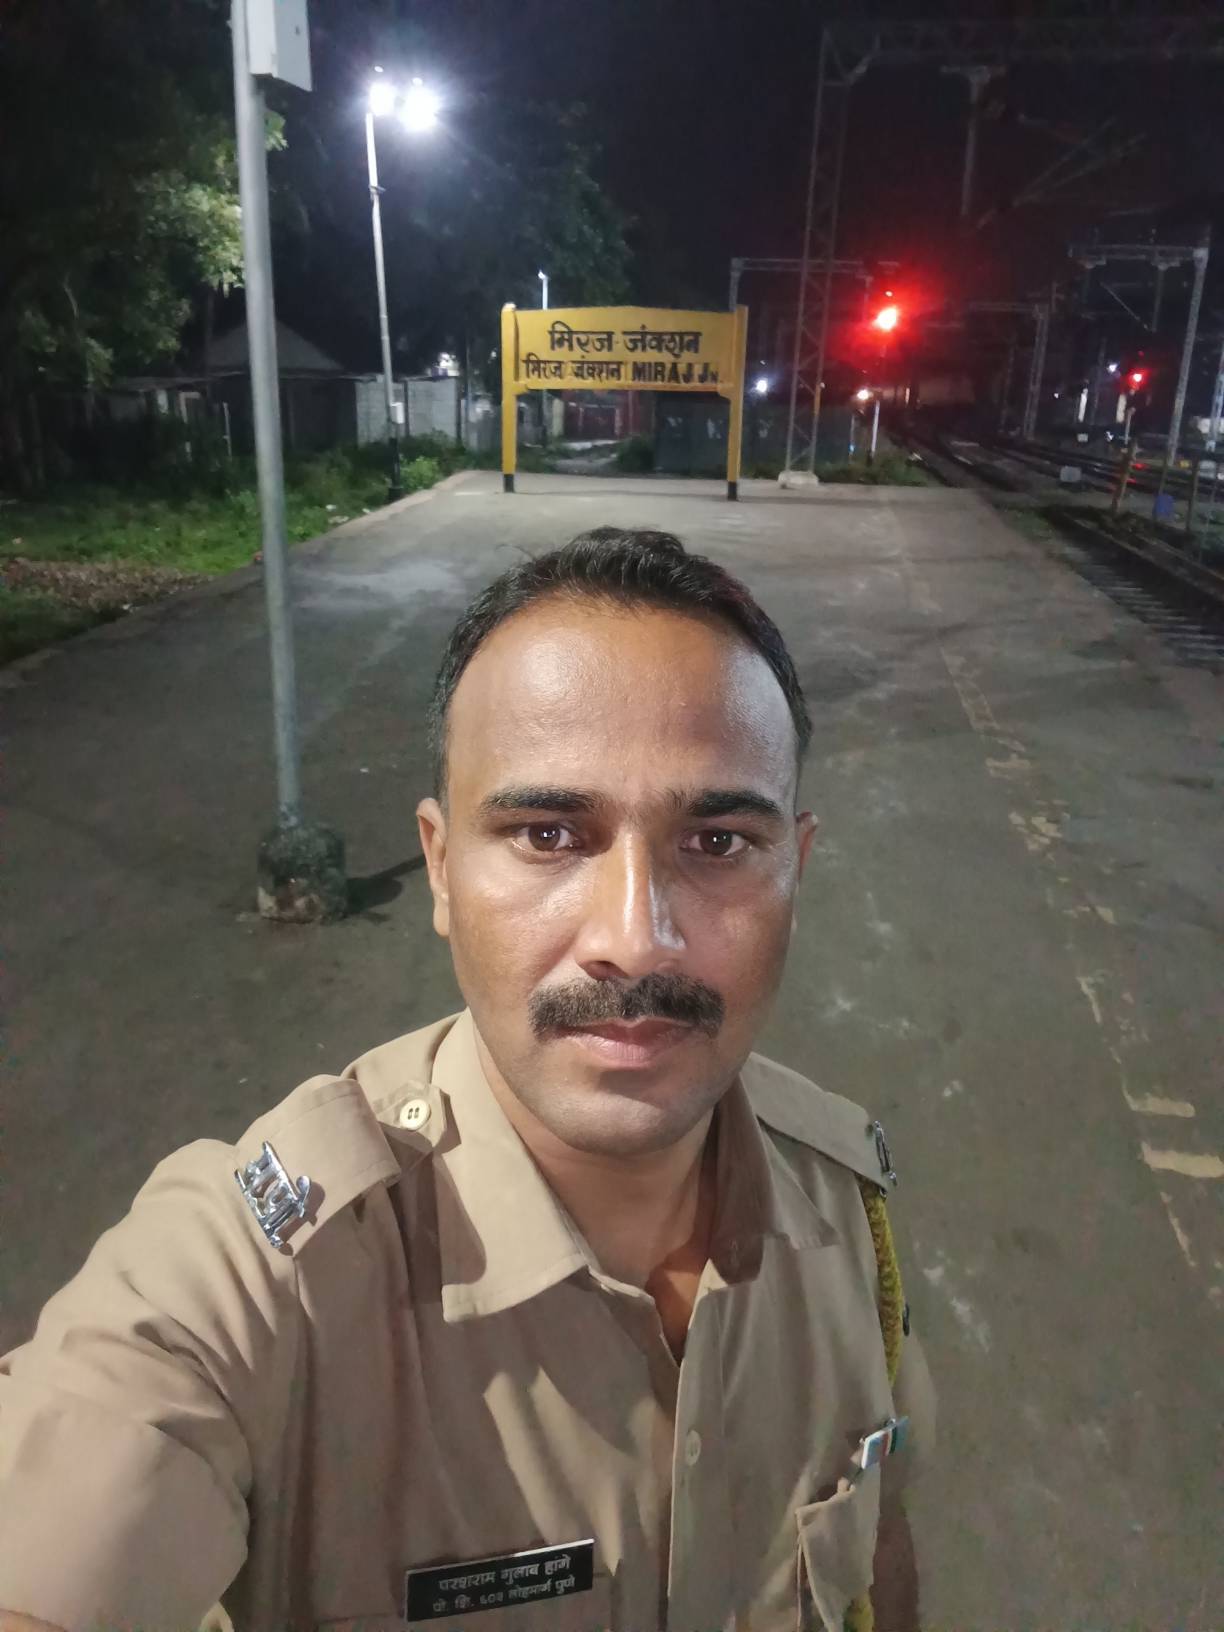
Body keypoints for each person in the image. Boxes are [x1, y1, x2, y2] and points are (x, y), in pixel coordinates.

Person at [0, 527, 934, 1632]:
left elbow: (880, 1553)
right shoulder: (268, 1281)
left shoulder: (848, 1214)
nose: (634, 939)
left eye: (719, 842)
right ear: (441, 869)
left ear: (797, 870)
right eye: (549, 834)